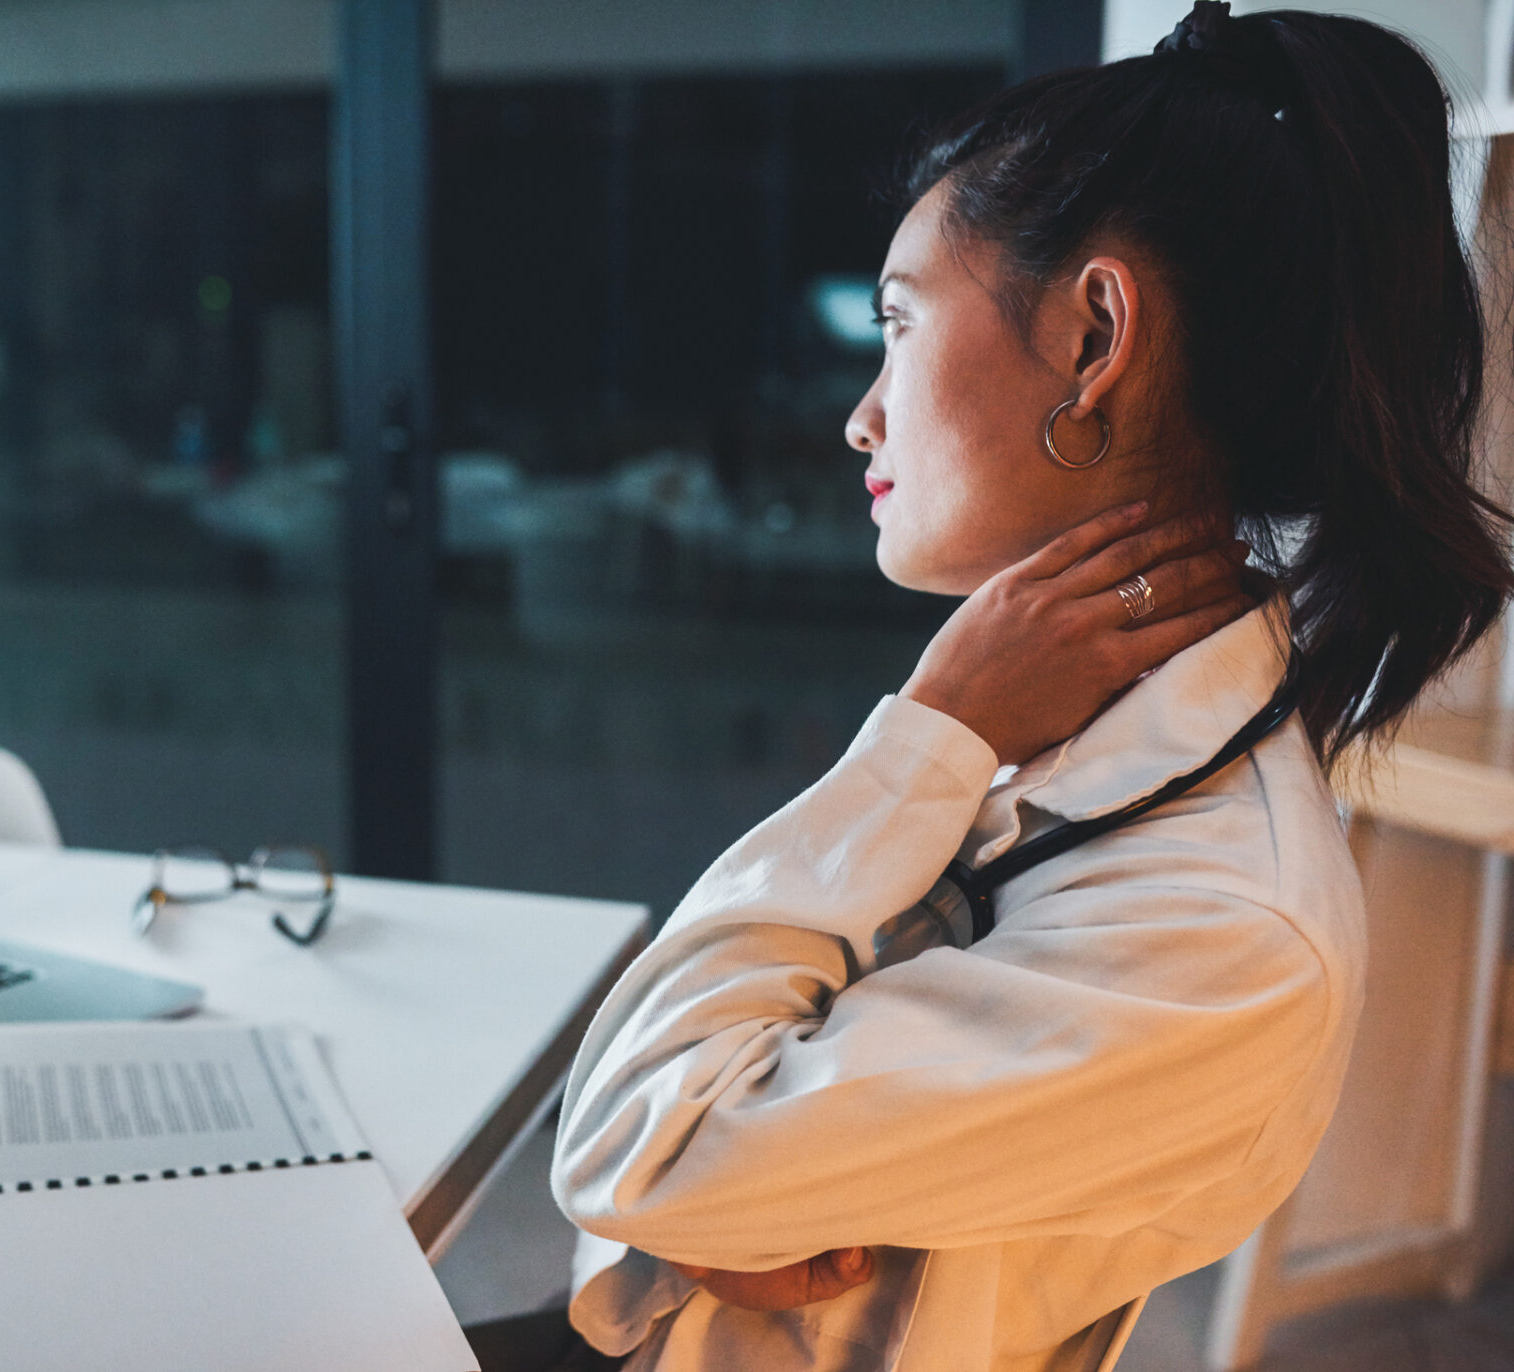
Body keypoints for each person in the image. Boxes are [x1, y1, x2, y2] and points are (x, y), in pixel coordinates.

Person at [545, 4, 1514, 1371]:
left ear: (1095, 334)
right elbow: (651, 1177)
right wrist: (697, 1210)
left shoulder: (1226, 927)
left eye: (898, 323)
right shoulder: (1051, 725)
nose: (860, 415)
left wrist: (926, 737)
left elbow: (638, 1145)